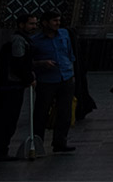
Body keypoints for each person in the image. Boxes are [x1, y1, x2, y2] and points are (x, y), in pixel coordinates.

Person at [0, 13, 38, 161]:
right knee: (5, 120)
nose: (34, 27)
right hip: (10, 86)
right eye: (31, 24)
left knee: (6, 119)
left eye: (35, 24)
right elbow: (18, 63)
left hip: (12, 86)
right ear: (21, 25)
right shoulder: (18, 41)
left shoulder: (23, 40)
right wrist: (29, 78)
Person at [28, 10, 77, 153]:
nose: (58, 23)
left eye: (58, 20)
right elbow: (29, 61)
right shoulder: (35, 41)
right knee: (41, 112)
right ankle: (37, 143)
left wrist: (71, 71)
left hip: (65, 77)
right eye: (54, 21)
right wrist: (41, 63)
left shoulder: (64, 34)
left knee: (65, 112)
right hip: (46, 80)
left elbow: (69, 53)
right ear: (45, 23)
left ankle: (60, 142)